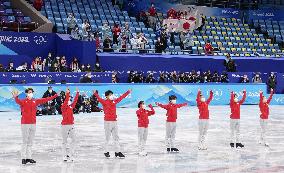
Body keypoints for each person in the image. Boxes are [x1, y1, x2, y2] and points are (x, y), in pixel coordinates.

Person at [12, 88, 58, 165]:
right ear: (26, 93)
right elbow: (17, 101)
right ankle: (23, 158)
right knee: (25, 141)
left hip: (33, 123)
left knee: (30, 142)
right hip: (25, 124)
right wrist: (15, 97)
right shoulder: (23, 101)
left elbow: (46, 99)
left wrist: (55, 95)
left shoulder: (35, 101)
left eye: (32, 92)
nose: (31, 93)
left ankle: (29, 157)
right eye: (29, 92)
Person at [93, 89, 132, 158]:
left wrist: (128, 92)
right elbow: (98, 98)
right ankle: (106, 151)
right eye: (110, 95)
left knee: (116, 137)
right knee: (107, 138)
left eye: (112, 95)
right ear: (107, 96)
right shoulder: (104, 102)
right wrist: (95, 93)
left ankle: (117, 152)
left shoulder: (114, 101)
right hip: (107, 122)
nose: (112, 96)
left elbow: (121, 97)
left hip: (114, 121)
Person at [60, 88, 79, 162]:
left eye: (69, 100)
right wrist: (67, 94)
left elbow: (75, 100)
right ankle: (64, 156)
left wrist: (77, 93)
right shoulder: (63, 107)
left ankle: (71, 155)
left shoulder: (71, 106)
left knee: (74, 140)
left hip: (71, 125)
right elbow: (66, 100)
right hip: (64, 125)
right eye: (68, 100)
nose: (69, 101)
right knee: (64, 141)